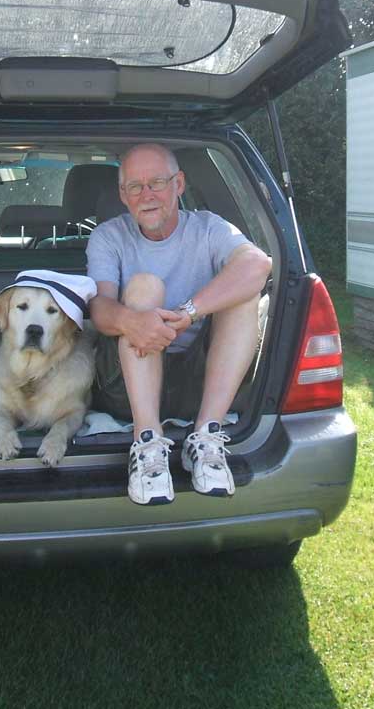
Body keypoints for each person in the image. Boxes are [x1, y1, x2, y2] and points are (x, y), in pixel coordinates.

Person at [86, 143, 271, 505]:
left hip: (198, 382)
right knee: (144, 286)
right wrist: (134, 321)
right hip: (125, 383)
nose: (147, 195)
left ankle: (206, 436)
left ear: (179, 184)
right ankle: (147, 442)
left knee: (243, 293)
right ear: (123, 195)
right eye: (135, 187)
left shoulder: (208, 227)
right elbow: (99, 308)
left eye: (157, 182)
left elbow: (258, 264)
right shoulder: (107, 236)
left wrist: (188, 313)